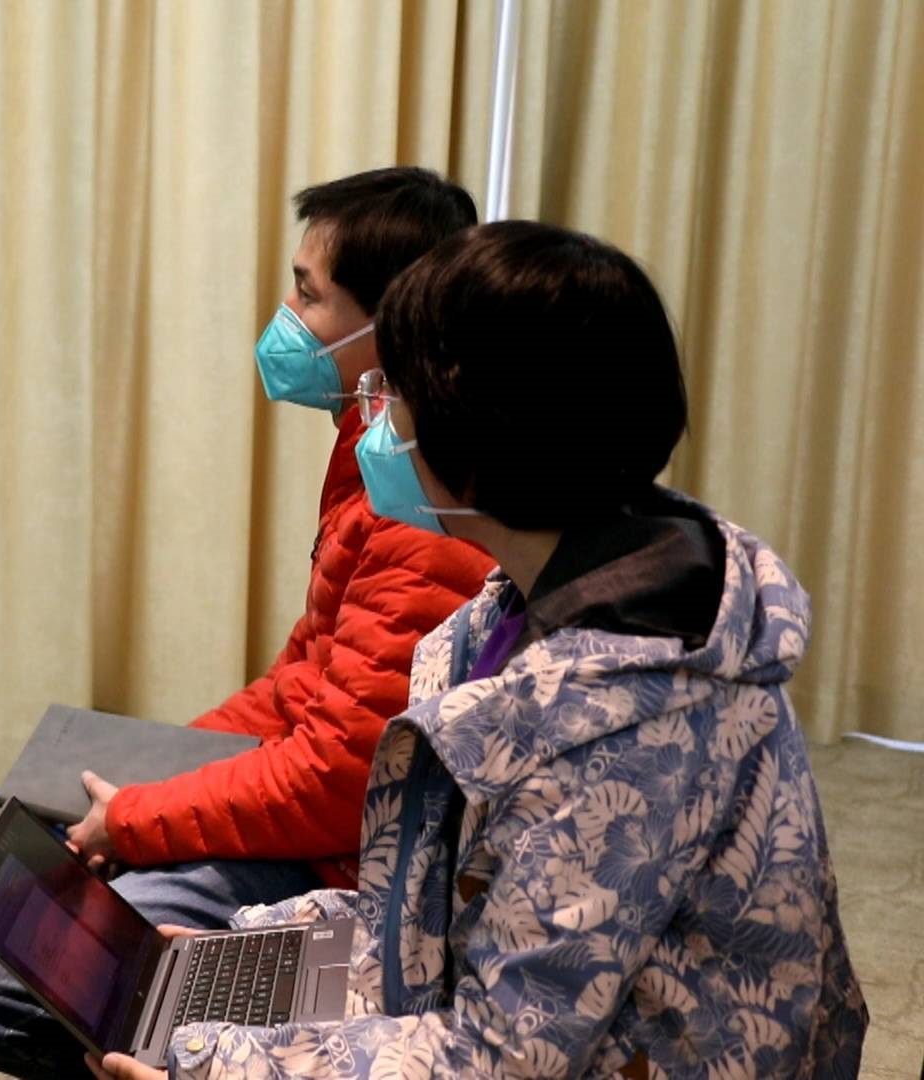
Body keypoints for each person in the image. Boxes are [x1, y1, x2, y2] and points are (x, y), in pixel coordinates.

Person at [93, 221, 868, 1079]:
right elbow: (440, 915)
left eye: (395, 390)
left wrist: (213, 1064)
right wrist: (247, 953)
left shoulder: (625, 723)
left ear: (476, 435)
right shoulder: (526, 602)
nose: (376, 415)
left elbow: (503, 1056)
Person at [0, 167, 496, 1079]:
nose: (286, 316)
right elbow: (302, 681)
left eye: (308, 294)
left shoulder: (420, 512)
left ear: (392, 323)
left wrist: (140, 821)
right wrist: (144, 780)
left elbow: (339, 781)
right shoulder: (369, 452)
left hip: (336, 873)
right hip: (317, 837)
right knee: (31, 856)